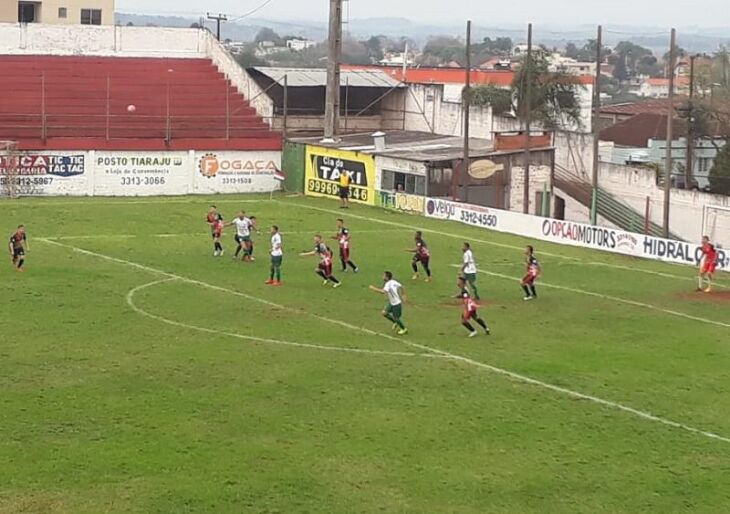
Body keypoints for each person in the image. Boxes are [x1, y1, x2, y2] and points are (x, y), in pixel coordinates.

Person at [369, 271, 408, 335]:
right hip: (391, 302)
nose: (382, 277)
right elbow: (401, 286)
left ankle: (404, 329)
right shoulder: (393, 281)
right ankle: (395, 322)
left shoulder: (388, 284)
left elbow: (383, 292)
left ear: (387, 277)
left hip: (396, 304)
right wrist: (403, 295)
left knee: (396, 318)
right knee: (384, 313)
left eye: (384, 276)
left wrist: (373, 288)